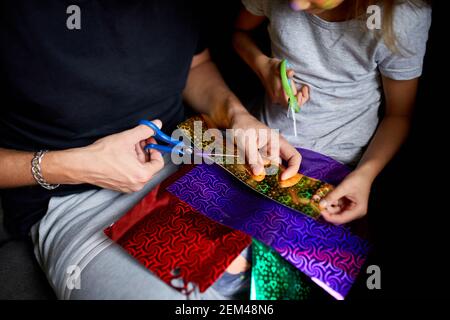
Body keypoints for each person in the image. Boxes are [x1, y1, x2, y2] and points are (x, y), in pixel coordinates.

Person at [0, 0, 301, 299]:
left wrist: (236, 114)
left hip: (190, 157)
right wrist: (72, 165)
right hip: (76, 206)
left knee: (301, 266)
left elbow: (195, 64)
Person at [233, 0, 431, 224]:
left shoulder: (400, 17)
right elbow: (239, 32)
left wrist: (365, 176)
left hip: (336, 163)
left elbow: (399, 115)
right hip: (261, 141)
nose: (296, 4)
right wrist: (262, 66)